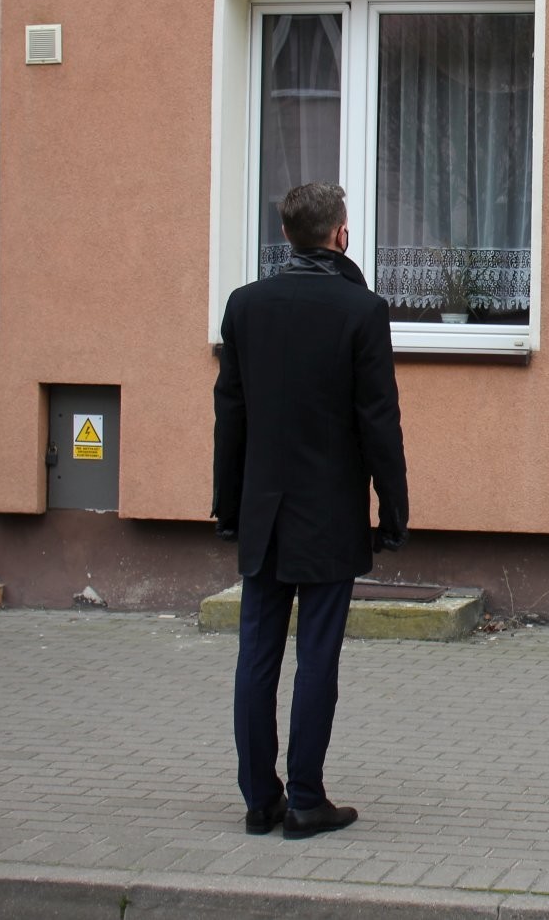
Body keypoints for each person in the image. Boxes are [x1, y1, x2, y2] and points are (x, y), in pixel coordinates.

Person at [213, 182, 410, 840]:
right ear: (340, 234)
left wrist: (226, 505)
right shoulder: (362, 309)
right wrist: (394, 509)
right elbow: (379, 419)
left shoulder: (245, 306)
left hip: (262, 512)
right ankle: (305, 798)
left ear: (286, 235)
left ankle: (258, 799)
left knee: (256, 655)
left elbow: (230, 415)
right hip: (329, 514)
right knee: (317, 656)